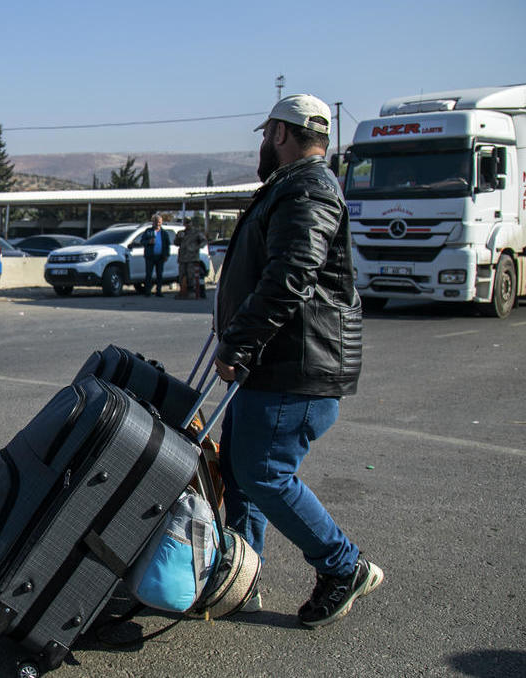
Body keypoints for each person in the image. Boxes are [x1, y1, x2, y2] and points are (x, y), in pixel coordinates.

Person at [213, 94, 382, 627]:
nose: (263, 145)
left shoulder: (309, 189)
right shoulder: (294, 187)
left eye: (266, 135)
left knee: (264, 473)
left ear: (281, 134)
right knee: (240, 474)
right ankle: (240, 579)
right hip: (273, 363)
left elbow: (291, 274)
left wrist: (239, 341)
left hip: (294, 368)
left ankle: (342, 565)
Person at [174, 219, 208, 300]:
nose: (187, 224)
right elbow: (176, 243)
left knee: (191, 276)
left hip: (192, 258)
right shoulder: (181, 232)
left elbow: (204, 241)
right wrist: (179, 238)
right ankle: (182, 291)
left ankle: (191, 292)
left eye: (188, 222)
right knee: (182, 275)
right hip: (182, 258)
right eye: (185, 223)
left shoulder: (196, 232)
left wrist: (196, 247)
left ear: (191, 223)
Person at [139, 215, 172, 296]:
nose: (157, 223)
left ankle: (159, 291)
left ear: (161, 222)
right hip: (150, 256)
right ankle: (148, 292)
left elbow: (168, 245)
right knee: (149, 274)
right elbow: (142, 241)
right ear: (153, 222)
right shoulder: (148, 231)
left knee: (159, 274)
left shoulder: (164, 233)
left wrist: (166, 255)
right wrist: (148, 242)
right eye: (156, 222)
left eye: (159, 222)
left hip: (160, 256)